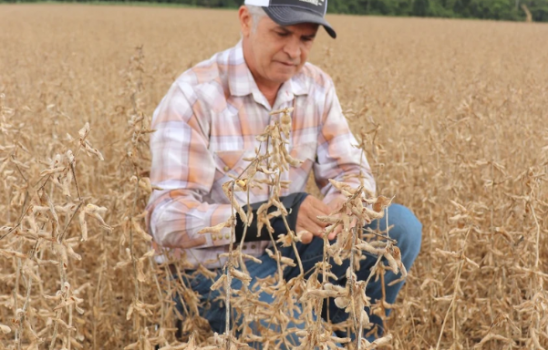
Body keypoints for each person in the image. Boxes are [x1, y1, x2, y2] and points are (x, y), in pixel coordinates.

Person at [146, 0, 422, 346]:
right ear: (246, 21)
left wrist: (342, 209)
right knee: (300, 340)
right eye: (282, 33)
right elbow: (167, 219)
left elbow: (352, 170)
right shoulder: (195, 95)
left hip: (292, 253)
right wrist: (271, 217)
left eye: (306, 39)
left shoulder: (316, 87)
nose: (294, 51)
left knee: (399, 226)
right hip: (213, 271)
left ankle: (353, 335)